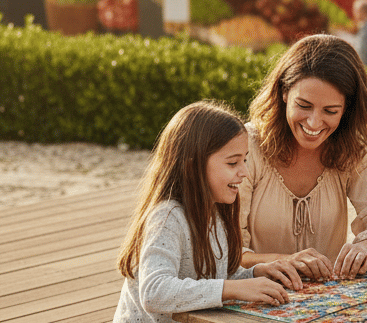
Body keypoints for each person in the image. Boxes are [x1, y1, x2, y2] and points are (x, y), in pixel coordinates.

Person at [239, 34, 367, 282]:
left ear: (346, 109)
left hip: (330, 297)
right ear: (284, 92)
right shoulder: (246, 147)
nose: (314, 123)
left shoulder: (354, 149)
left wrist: (366, 247)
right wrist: (285, 261)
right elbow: (224, 251)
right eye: (304, 105)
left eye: (330, 111)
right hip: (255, 292)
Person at [114, 101, 299, 322]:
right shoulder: (167, 217)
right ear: (193, 166)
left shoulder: (215, 212)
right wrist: (233, 288)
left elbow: (216, 278)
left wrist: (255, 273)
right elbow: (154, 292)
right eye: (233, 163)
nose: (245, 172)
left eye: (245, 160)